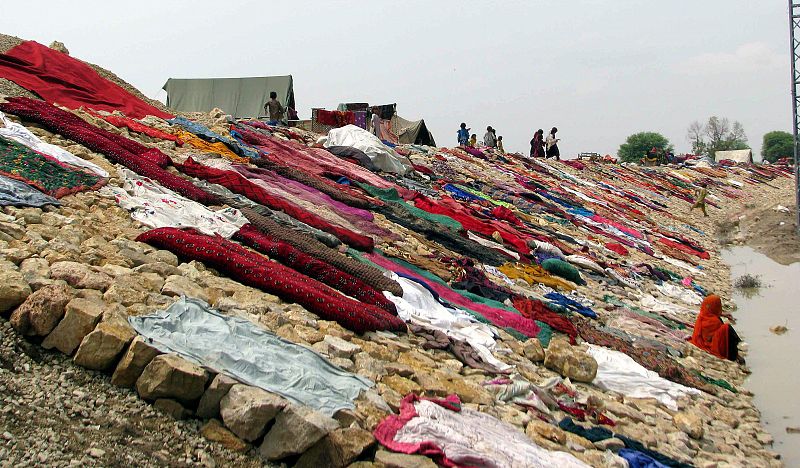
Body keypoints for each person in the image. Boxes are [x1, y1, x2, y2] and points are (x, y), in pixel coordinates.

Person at [690, 294, 741, 362]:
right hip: (713, 346)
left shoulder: (703, 315)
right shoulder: (713, 321)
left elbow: (712, 313)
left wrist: (723, 314)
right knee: (727, 328)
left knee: (724, 328)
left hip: (706, 342)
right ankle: (734, 355)